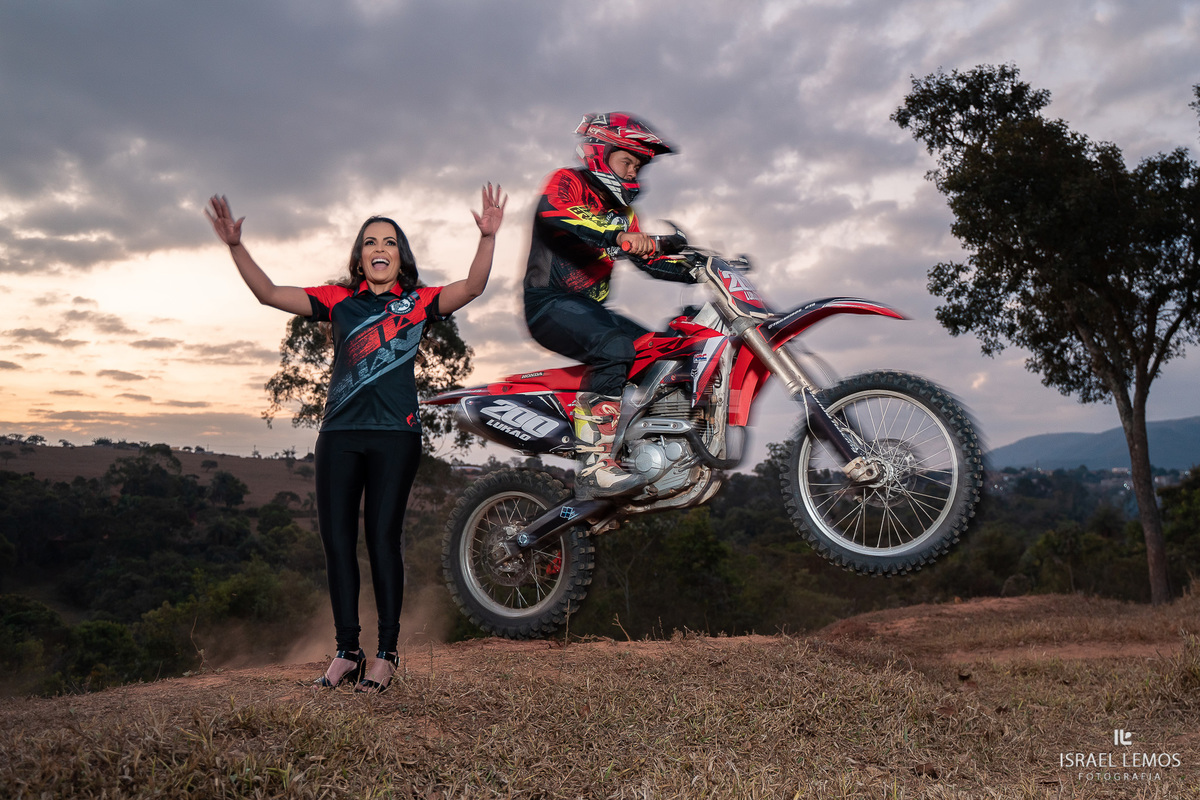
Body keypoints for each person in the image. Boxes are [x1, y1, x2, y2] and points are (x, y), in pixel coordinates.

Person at [205, 185, 506, 693]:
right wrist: (236, 246)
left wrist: (487, 238)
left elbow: (473, 286)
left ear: (400, 256)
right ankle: (348, 651)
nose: (379, 248)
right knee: (337, 543)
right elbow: (269, 294)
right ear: (359, 257)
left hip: (396, 438)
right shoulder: (338, 302)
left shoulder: (419, 302)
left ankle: (387, 654)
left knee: (382, 540)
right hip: (339, 436)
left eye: (388, 241)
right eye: (369, 242)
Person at [523, 113, 693, 500]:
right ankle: (594, 465)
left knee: (663, 350)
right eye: (627, 161)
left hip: (590, 309)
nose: (633, 172)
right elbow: (559, 212)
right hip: (548, 303)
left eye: (637, 166)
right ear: (601, 151)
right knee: (615, 348)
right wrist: (619, 234)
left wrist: (700, 268)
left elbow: (651, 261)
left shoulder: (626, 214)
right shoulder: (567, 182)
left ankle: (641, 452)